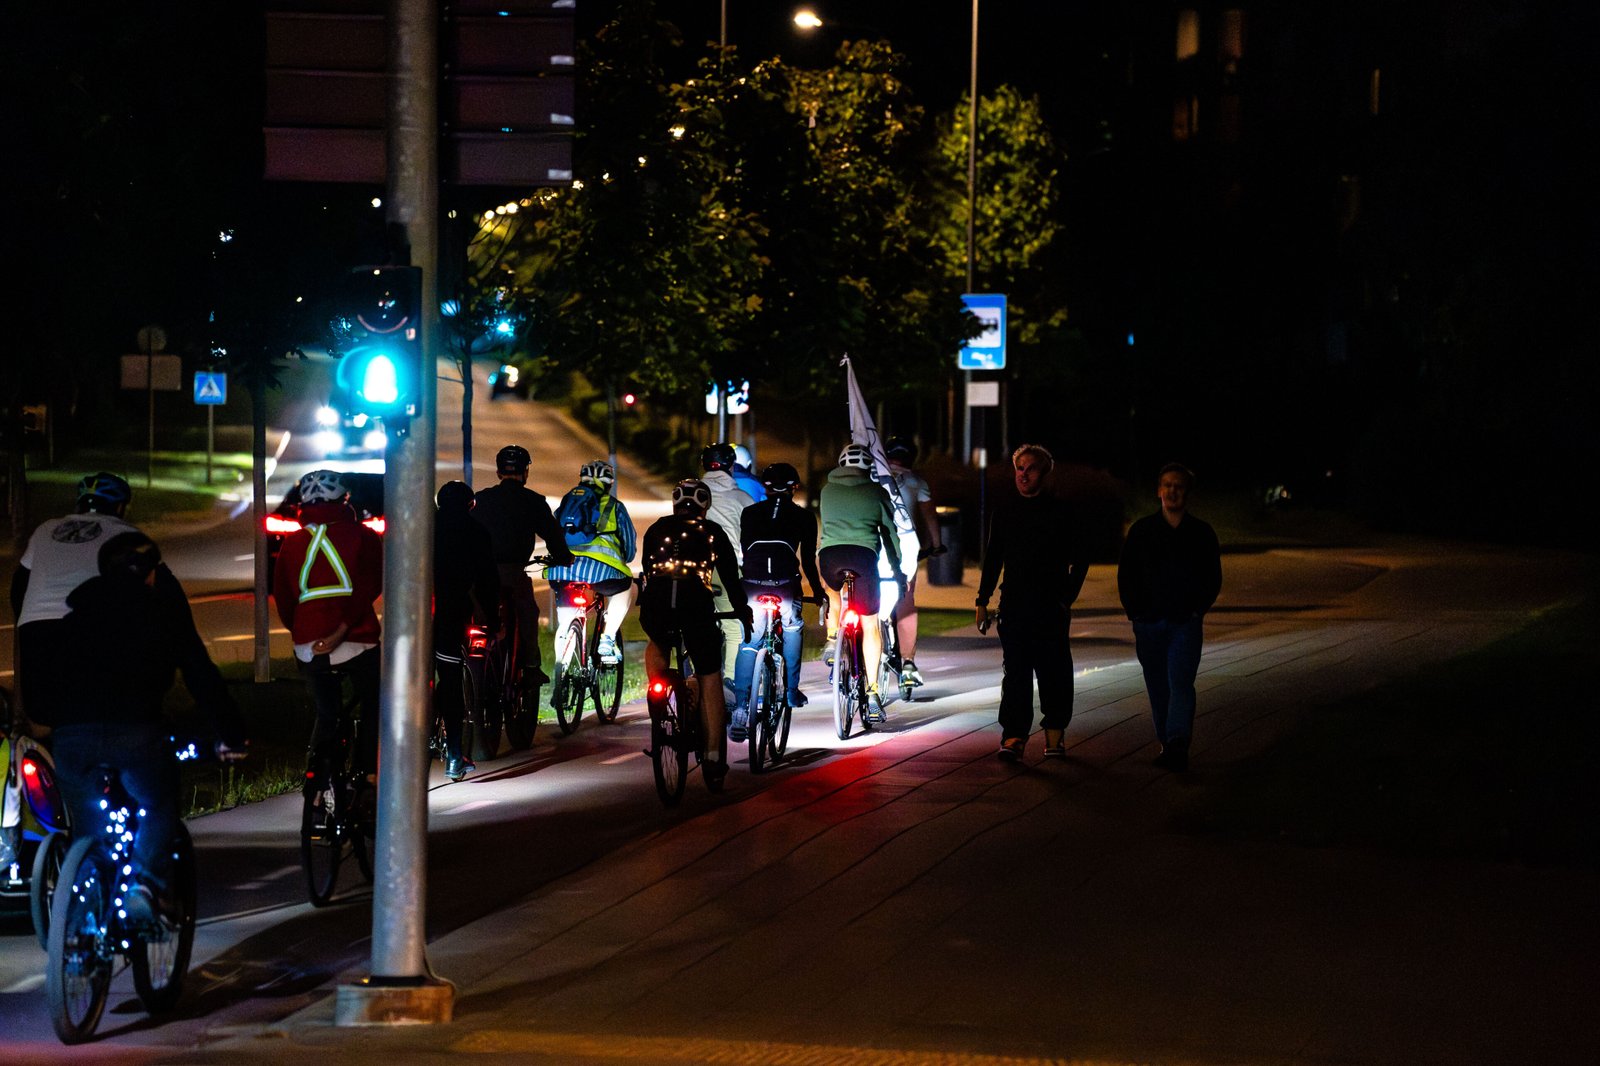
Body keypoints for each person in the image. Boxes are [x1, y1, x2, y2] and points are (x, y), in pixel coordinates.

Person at [54, 531, 247, 923]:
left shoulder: (73, 617)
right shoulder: (161, 615)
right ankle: (145, 883)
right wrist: (230, 734)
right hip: (136, 731)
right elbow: (201, 676)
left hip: (72, 735)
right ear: (151, 574)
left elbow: (48, 677)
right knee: (158, 802)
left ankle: (80, 912)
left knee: (87, 821)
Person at [974, 444, 1090, 761]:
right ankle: (1014, 735)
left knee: (1054, 671)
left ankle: (1055, 732)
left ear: (1045, 473)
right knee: (1016, 673)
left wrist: (1066, 598)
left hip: (1051, 606)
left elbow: (1081, 559)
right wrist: (982, 600)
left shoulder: (1062, 512)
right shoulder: (1005, 511)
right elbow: (993, 557)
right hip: (1014, 605)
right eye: (1019, 468)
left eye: (1031, 468)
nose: (1023, 474)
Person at [273, 470, 383, 796]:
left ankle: (317, 784)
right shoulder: (362, 536)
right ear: (344, 500)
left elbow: (285, 600)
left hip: (310, 645)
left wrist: (305, 633)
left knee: (327, 712)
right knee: (373, 702)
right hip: (357, 639)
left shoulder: (292, 544)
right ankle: (369, 774)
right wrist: (342, 628)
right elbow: (371, 584)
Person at [638, 479, 752, 788]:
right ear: (706, 506)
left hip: (656, 604)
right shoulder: (713, 532)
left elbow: (648, 570)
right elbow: (731, 579)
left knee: (658, 641)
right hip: (695, 605)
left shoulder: (656, 529)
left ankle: (658, 699)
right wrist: (743, 611)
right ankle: (713, 758)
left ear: (675, 504)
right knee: (709, 674)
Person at [10, 472, 142, 731]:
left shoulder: (46, 529)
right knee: (100, 709)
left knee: (49, 712)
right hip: (87, 632)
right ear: (120, 507)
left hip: (36, 632)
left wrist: (26, 623)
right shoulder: (126, 534)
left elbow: (19, 587)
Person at [1116, 462, 1223, 772]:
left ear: (1187, 492)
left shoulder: (1201, 533)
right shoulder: (1142, 531)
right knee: (1157, 685)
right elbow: (1127, 575)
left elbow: (1212, 577)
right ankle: (1167, 741)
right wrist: (1136, 612)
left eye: (1179, 486)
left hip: (1184, 623)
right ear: (1159, 491)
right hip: (1148, 623)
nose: (1172, 491)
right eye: (1168, 485)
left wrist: (1196, 610)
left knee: (1181, 681)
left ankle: (1177, 740)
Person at [471, 444, 576, 699]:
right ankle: (530, 667)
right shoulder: (533, 501)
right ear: (525, 471)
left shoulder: (481, 499)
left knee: (478, 617)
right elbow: (553, 535)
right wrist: (564, 557)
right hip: (514, 573)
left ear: (498, 472)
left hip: (480, 574)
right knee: (527, 613)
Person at [730, 462, 825, 738]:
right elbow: (808, 562)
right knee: (793, 627)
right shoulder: (804, 517)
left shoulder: (749, 513)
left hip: (752, 584)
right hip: (785, 586)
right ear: (794, 488)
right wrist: (817, 592)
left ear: (766, 487)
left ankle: (741, 707)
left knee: (750, 642)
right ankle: (792, 691)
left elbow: (746, 551)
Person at [818, 443, 906, 701]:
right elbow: (890, 535)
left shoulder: (827, 490)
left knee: (832, 594)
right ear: (868, 467)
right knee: (870, 623)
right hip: (863, 558)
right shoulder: (877, 492)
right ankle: (873, 690)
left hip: (830, 556)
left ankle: (832, 638)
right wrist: (898, 569)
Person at [432, 480, 499, 782]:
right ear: (470, 505)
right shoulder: (476, 532)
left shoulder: (424, 529)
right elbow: (487, 581)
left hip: (413, 619)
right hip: (450, 615)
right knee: (450, 683)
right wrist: (493, 621)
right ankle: (455, 755)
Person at [543, 459, 638, 671]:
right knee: (624, 587)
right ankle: (608, 639)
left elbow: (553, 532)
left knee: (565, 621)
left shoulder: (568, 503)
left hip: (561, 570)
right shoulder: (614, 507)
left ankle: (562, 672)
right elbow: (630, 550)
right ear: (609, 484)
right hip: (602, 572)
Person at [884, 435, 942, 686]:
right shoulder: (917, 482)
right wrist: (936, 545)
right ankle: (908, 662)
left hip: (875, 547)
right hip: (905, 549)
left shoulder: (873, 477)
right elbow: (930, 517)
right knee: (905, 601)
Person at [698, 443, 755, 684]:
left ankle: (696, 678)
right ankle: (729, 681)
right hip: (726, 569)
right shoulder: (743, 498)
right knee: (733, 627)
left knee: (695, 624)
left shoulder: (694, 495)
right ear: (731, 467)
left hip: (694, 569)